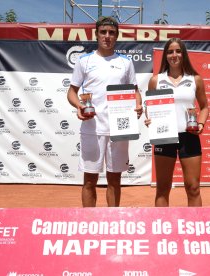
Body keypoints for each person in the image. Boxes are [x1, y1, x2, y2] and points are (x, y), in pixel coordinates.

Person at [67, 16, 143, 207]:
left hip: (119, 129)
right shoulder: (85, 61)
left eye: (111, 33)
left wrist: (138, 105)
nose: (107, 36)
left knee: (115, 179)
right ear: (96, 34)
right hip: (92, 127)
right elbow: (72, 92)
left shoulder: (125, 63)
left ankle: (114, 223)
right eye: (103, 32)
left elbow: (135, 92)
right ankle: (88, 222)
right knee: (89, 181)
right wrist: (79, 106)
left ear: (116, 36)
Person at [145, 37, 209, 207]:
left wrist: (200, 125)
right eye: (170, 51)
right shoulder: (156, 80)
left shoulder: (195, 79)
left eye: (178, 51)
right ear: (166, 55)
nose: (174, 55)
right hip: (164, 137)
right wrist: (149, 118)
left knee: (193, 187)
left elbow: (204, 107)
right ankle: (162, 228)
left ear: (184, 54)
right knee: (163, 188)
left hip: (189, 136)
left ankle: (195, 230)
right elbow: (149, 107)